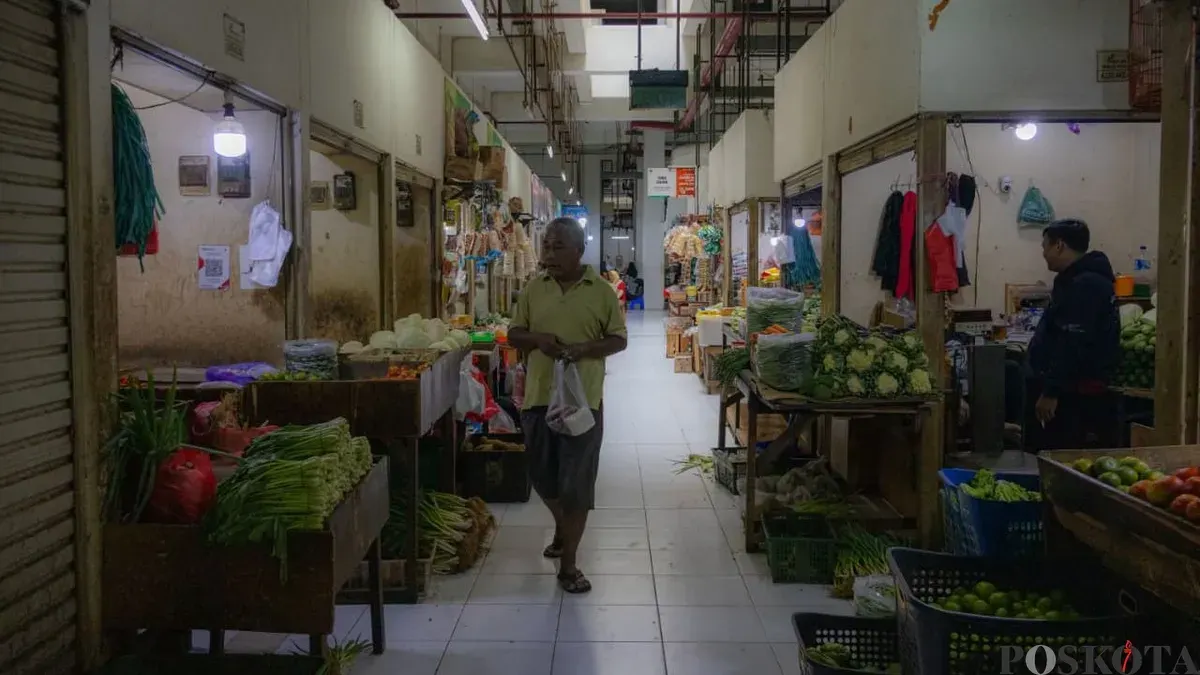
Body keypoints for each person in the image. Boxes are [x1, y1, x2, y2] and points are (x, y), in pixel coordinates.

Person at [508, 217, 628, 593]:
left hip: (582, 404)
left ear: (579, 250)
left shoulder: (601, 291)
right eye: (546, 246)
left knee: (576, 486)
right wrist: (538, 340)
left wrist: (584, 349)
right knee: (542, 478)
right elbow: (513, 334)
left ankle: (569, 565)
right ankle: (562, 526)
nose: (549, 254)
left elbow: (619, 339)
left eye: (558, 246)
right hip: (538, 398)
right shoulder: (534, 288)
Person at [1026, 218, 1120, 452]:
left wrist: (1051, 392)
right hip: (1068, 389)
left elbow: (1072, 341)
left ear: (1059, 245)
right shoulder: (1076, 280)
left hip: (1073, 395)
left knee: (1060, 453)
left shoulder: (1085, 285)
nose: (1043, 254)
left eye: (1045, 246)